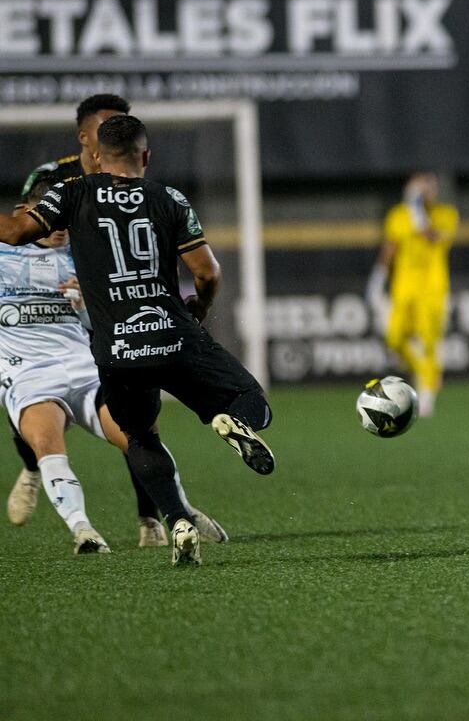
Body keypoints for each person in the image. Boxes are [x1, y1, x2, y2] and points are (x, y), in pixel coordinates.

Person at [0, 115, 275, 566]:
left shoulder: (74, 194)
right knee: (251, 400)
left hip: (116, 350)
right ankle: (229, 421)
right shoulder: (169, 197)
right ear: (145, 156)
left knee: (140, 437)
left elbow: (14, 232)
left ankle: (175, 520)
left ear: (95, 157)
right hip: (171, 333)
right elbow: (207, 272)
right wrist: (200, 310)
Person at [1, 173, 226, 553]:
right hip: (29, 372)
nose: (58, 229)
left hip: (86, 369)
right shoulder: (4, 255)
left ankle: (181, 510)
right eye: (49, 219)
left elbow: (110, 317)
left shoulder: (87, 255)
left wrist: (88, 305)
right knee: (45, 442)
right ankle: (84, 531)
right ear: (27, 213)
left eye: (63, 221)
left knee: (138, 434)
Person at [7, 93, 130, 524]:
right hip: (59, 293)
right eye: (107, 129)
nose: (117, 137)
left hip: (107, 298)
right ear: (84, 136)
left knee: (136, 410)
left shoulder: (130, 173)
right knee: (29, 387)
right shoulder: (51, 177)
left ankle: (153, 517)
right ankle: (32, 466)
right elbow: (26, 233)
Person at [367, 173, 458, 418]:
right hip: (404, 286)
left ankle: (426, 393)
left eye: (430, 187)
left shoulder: (446, 215)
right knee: (394, 337)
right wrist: (378, 277)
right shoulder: (398, 215)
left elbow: (433, 237)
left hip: (433, 288)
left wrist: (418, 211)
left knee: (429, 342)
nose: (427, 191)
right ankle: (429, 374)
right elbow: (391, 245)